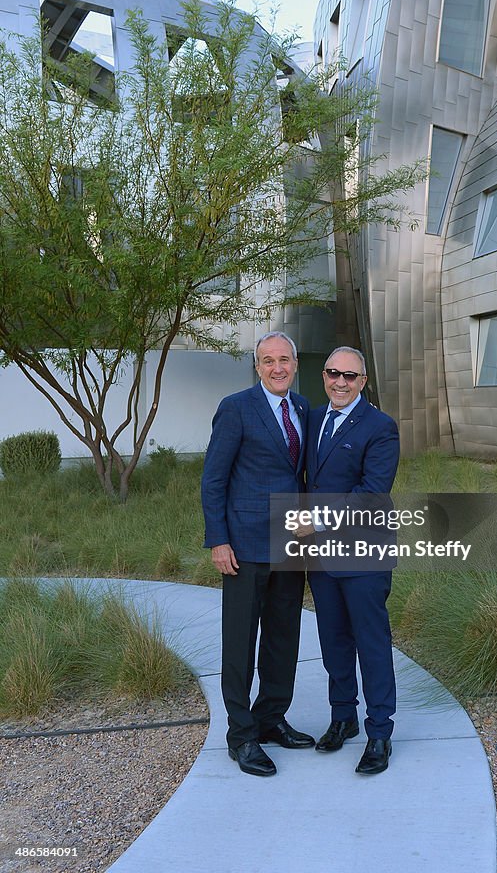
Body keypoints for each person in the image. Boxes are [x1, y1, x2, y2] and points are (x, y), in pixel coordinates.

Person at [201, 331, 314, 777]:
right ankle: (242, 736)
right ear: (257, 366)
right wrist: (219, 539)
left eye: (284, 359)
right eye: (268, 361)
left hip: (290, 539)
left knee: (284, 636)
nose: (277, 368)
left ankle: (271, 719)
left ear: (295, 364)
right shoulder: (235, 408)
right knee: (241, 642)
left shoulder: (303, 409)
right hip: (244, 544)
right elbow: (214, 479)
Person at [306, 346, 400, 775]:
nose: (339, 382)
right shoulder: (312, 419)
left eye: (350, 375)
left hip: (364, 552)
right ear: (324, 376)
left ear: (363, 382)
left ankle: (379, 731)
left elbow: (372, 491)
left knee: (371, 642)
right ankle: (342, 716)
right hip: (322, 557)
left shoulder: (380, 427)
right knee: (334, 641)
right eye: (332, 373)